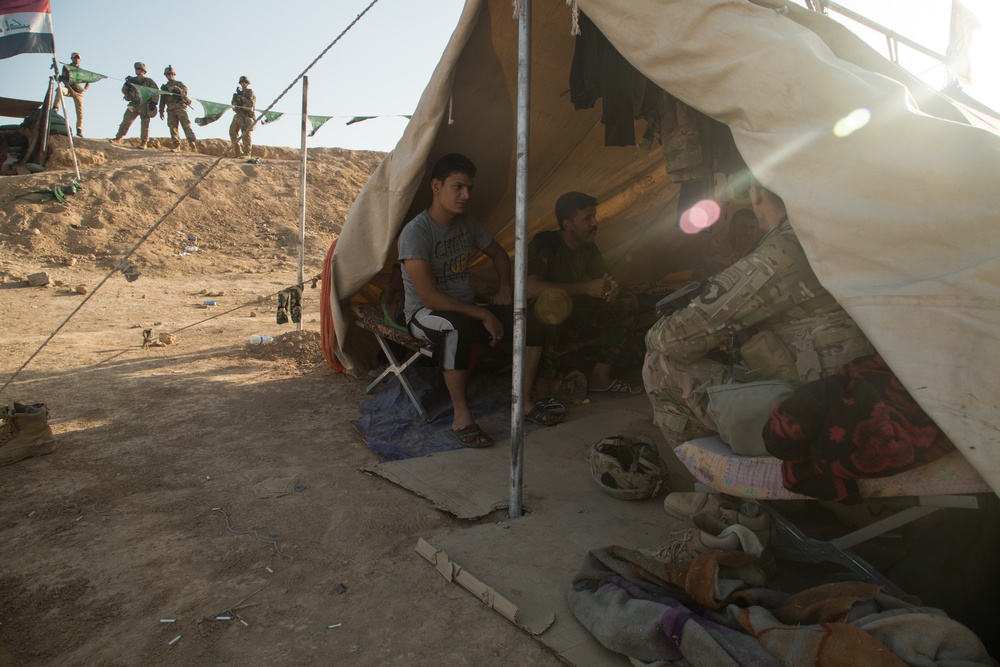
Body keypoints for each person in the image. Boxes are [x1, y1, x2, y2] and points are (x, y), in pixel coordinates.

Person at [643, 176, 872, 447]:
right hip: (852, 393)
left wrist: (652, 333)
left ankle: (722, 477)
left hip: (817, 411)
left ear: (758, 195)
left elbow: (676, 338)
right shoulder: (827, 234)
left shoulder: (786, 249)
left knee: (660, 365)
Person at [398, 153, 561, 447]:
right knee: (455, 327)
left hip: (466, 308)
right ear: (436, 186)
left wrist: (504, 287)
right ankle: (462, 418)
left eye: (469, 188)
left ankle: (524, 402)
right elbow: (429, 296)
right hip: (424, 314)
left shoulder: (468, 224)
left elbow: (499, 254)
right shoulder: (416, 232)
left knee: (532, 320)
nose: (465, 195)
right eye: (458, 187)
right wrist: (483, 314)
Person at [526, 191, 641, 396]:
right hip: (540, 323)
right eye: (587, 218)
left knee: (627, 302)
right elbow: (530, 288)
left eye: (594, 217)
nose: (595, 223)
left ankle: (600, 376)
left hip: (575, 315)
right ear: (568, 224)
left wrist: (611, 289)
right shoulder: (546, 243)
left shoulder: (589, 247)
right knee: (551, 305)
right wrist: (585, 288)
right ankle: (546, 385)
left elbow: (607, 279)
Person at [111, 62, 158, 149]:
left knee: (145, 123)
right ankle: (118, 138)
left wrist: (154, 102)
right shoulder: (132, 80)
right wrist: (127, 84)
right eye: (136, 69)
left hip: (144, 104)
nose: (137, 70)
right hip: (134, 103)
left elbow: (156, 92)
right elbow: (124, 91)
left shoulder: (148, 81)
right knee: (126, 119)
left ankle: (144, 142)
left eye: (138, 69)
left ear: (143, 71)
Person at [158, 66, 198, 152]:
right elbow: (162, 100)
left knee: (186, 125)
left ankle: (192, 144)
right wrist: (161, 111)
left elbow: (185, 92)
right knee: (173, 127)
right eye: (168, 74)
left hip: (180, 107)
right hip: (171, 109)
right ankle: (176, 145)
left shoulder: (179, 84)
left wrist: (174, 89)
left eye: (171, 74)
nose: (169, 76)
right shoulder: (165, 87)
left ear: (173, 74)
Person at [53, 52, 88, 138]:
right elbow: (64, 79)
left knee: (80, 112)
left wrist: (85, 89)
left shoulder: (81, 71)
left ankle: (79, 129)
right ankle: (55, 108)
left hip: (78, 91)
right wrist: (70, 89)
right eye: (75, 57)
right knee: (59, 90)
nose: (76, 59)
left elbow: (89, 80)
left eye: (78, 58)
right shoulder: (66, 67)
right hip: (68, 88)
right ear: (72, 58)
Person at [229, 75, 256, 158]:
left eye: (245, 82)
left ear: (247, 83)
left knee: (245, 133)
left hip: (246, 115)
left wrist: (242, 99)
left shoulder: (250, 92)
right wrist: (236, 100)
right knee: (232, 132)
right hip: (238, 115)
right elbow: (233, 105)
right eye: (242, 83)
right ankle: (238, 152)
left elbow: (251, 104)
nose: (243, 84)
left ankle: (247, 153)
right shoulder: (237, 94)